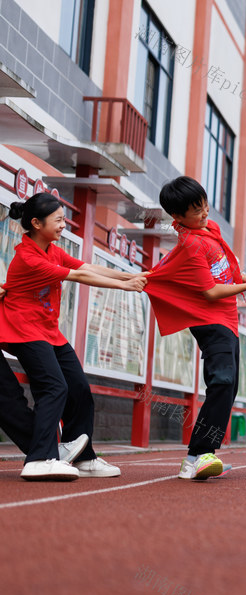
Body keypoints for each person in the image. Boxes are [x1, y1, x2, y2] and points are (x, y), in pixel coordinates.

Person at [0, 193, 144, 480]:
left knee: (78, 387)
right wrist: (127, 288)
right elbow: (78, 277)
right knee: (55, 387)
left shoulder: (52, 250)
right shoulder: (27, 257)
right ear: (37, 224)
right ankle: (40, 458)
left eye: (64, 219)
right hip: (22, 328)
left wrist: (130, 277)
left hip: (49, 330)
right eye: (59, 220)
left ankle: (82, 457)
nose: (64, 225)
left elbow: (86, 267)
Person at [146, 176, 246, 481]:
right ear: (177, 218)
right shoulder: (191, 245)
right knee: (222, 381)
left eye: (204, 204)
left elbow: (228, 272)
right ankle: (198, 455)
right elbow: (212, 292)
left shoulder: (210, 230)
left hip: (228, 320)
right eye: (196, 210)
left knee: (230, 387)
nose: (205, 213)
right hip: (209, 320)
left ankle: (199, 456)